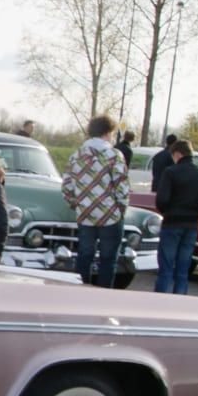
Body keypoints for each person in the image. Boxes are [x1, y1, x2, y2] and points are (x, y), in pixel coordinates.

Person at [61, 114, 129, 287]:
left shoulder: (76, 156)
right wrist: (121, 209)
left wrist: (77, 205)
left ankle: (81, 294)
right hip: (110, 215)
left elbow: (67, 186)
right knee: (108, 259)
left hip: (85, 214)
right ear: (107, 132)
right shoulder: (114, 155)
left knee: (84, 256)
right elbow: (121, 187)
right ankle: (104, 297)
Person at [153, 139, 198, 295]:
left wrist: (168, 210)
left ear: (177, 154)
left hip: (172, 224)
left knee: (166, 268)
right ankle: (180, 302)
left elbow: (162, 200)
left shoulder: (170, 172)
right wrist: (195, 210)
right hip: (191, 225)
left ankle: (160, 303)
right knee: (182, 270)